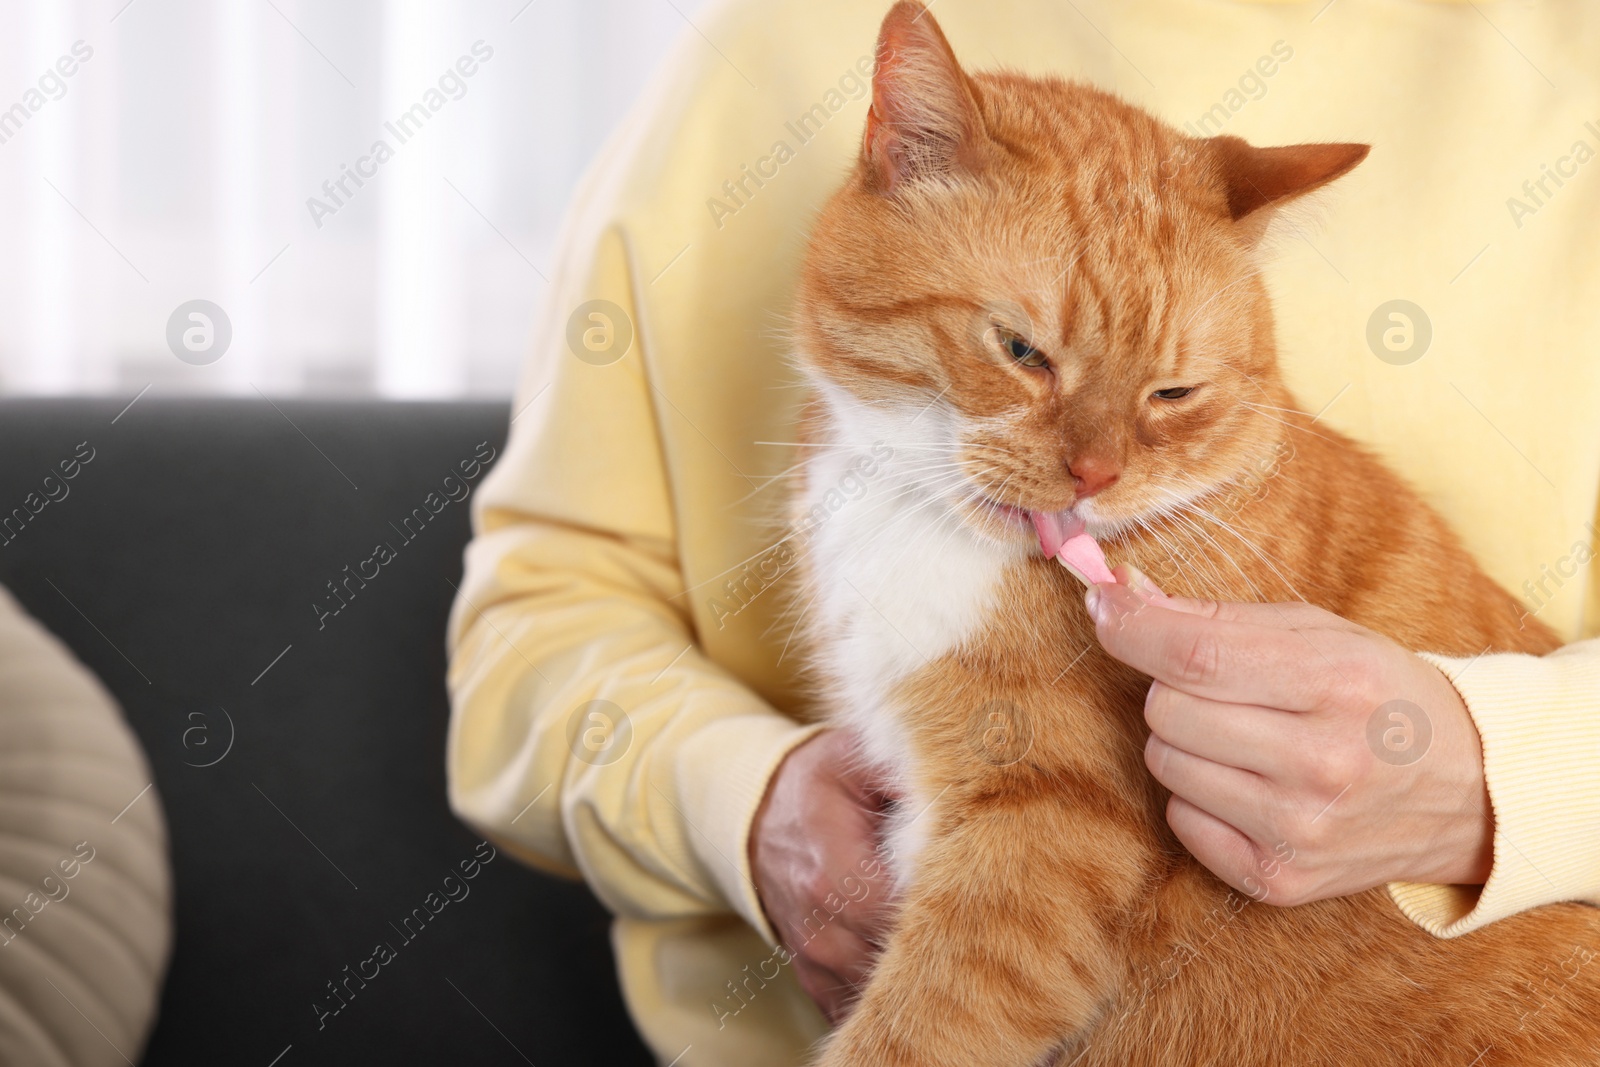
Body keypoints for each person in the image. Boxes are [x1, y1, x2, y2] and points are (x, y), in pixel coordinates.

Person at [445, 1, 1600, 1063]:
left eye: (1171, 399)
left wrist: (1503, 773)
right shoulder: (760, 44)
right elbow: (533, 624)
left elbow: (1061, 850)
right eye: (1025, 354)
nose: (1090, 469)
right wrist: (739, 807)